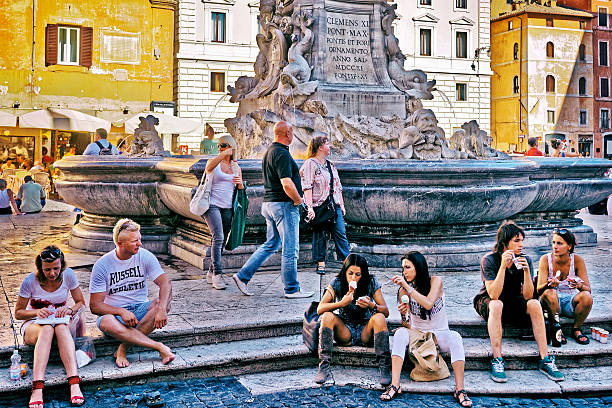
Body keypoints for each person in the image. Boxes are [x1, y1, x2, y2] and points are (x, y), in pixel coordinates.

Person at [473, 221, 563, 383]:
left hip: (514, 301)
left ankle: (546, 358)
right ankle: (497, 359)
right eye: (517, 241)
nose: (521, 245)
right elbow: (493, 294)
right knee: (497, 304)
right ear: (504, 243)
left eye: (522, 240)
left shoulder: (524, 259)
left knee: (535, 304)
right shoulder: (490, 260)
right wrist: (502, 267)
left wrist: (527, 272)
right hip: (489, 302)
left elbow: (529, 296)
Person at [232, 121, 313, 298]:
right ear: (288, 133)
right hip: (284, 206)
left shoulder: (269, 152)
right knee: (291, 249)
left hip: (270, 204)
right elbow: (286, 183)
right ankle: (292, 289)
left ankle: (243, 276)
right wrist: (299, 201)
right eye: (292, 132)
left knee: (271, 244)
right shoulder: (282, 153)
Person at [382, 251, 471, 406]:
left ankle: (460, 390)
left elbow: (428, 303)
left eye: (408, 267)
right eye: (403, 268)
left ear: (419, 267)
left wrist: (407, 288)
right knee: (401, 333)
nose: (404, 272)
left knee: (456, 337)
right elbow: (407, 324)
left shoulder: (436, 281)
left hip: (439, 334)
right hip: (417, 336)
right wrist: (403, 316)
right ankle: (395, 385)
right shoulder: (403, 290)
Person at [89, 218, 175, 368]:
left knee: (161, 303)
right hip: (115, 316)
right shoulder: (102, 265)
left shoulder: (144, 255)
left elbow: (165, 282)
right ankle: (159, 346)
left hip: (140, 311)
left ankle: (123, 348)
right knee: (105, 321)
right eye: (135, 241)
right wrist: (120, 311)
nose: (140, 244)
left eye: (139, 239)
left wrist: (161, 309)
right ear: (120, 243)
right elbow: (95, 306)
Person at [14, 246, 86, 407]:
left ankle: (74, 383)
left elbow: (80, 302)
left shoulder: (68, 275)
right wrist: (37, 311)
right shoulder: (30, 281)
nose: (52, 273)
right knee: (47, 329)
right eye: (47, 270)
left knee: (60, 326)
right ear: (40, 267)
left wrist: (68, 309)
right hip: (35, 326)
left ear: (62, 265)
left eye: (56, 268)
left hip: (61, 326)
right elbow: (18, 313)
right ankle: (37, 387)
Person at [315, 254, 391, 385]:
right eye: (350, 273)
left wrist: (371, 305)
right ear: (345, 271)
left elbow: (386, 311)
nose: (353, 278)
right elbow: (320, 308)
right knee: (327, 316)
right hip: (345, 330)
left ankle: (384, 366)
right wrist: (341, 303)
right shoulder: (337, 282)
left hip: (365, 331)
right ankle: (324, 365)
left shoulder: (371, 282)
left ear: (363, 274)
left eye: (358, 274)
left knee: (379, 318)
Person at [300, 136, 350, 274]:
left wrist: (342, 205)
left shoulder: (330, 165)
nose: (330, 146)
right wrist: (310, 207)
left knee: (340, 233)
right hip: (319, 205)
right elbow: (307, 186)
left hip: (334, 205)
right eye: (327, 144)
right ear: (320, 147)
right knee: (320, 234)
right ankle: (321, 263)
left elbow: (338, 186)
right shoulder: (311, 163)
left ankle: (347, 262)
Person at [202, 135, 244, 289]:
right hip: (212, 205)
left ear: (232, 147)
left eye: (224, 145)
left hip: (227, 207)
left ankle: (210, 272)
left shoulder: (236, 167)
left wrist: (240, 185)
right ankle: (217, 275)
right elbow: (208, 169)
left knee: (221, 239)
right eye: (218, 145)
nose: (220, 147)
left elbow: (240, 190)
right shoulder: (214, 163)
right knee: (218, 237)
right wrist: (223, 154)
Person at [537, 228, 592, 345]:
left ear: (569, 246)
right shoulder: (545, 259)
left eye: (559, 243)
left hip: (569, 301)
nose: (555, 247)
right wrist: (549, 284)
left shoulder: (577, 260)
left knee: (586, 297)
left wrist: (579, 285)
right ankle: (557, 330)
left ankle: (576, 329)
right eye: (553, 243)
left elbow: (588, 289)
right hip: (550, 303)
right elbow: (539, 289)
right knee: (549, 293)